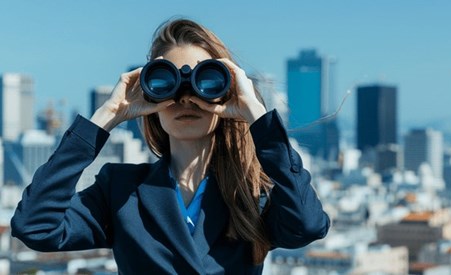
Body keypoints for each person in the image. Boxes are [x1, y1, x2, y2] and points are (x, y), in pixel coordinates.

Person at [11, 18, 330, 274]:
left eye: (206, 82)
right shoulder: (121, 190)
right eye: (167, 83)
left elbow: (308, 225)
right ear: (150, 94)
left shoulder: (253, 193)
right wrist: (106, 116)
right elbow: (35, 227)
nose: (186, 97)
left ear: (229, 89)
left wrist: (256, 116)